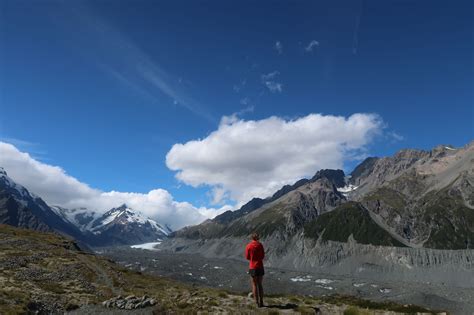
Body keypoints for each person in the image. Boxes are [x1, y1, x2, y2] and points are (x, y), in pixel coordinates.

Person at [245, 232, 265, 307]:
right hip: (260, 266)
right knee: (260, 284)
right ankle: (262, 301)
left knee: (254, 284)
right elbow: (263, 256)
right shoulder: (260, 245)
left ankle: (257, 303)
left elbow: (247, 257)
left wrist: (252, 259)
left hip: (252, 267)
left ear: (251, 238)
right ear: (258, 238)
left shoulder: (248, 246)